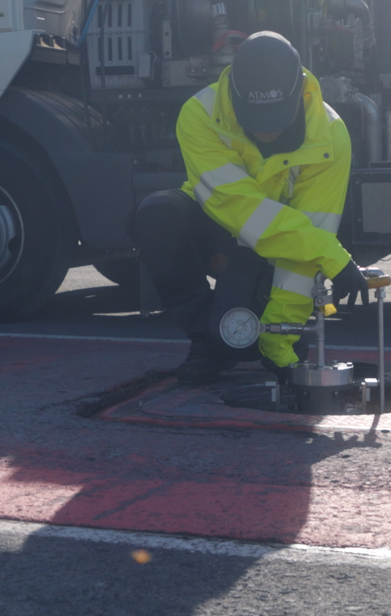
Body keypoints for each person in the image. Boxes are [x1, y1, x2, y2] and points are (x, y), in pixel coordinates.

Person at [131, 31, 368, 384]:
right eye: (256, 119)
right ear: (232, 94)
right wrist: (331, 256)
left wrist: (279, 339)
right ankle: (206, 343)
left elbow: (313, 229)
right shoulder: (199, 114)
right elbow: (241, 210)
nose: (267, 133)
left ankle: (262, 335)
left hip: (286, 245)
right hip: (219, 224)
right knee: (159, 215)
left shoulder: (330, 136)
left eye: (278, 117)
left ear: (301, 91)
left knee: (265, 341)